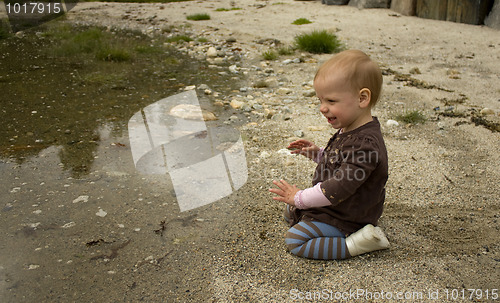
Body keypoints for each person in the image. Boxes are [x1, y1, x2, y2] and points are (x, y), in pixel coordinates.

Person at [269, 49, 390, 260]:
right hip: (338, 204)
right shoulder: (352, 129)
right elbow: (343, 164)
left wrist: (299, 197)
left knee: (295, 239)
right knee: (291, 211)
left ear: (362, 98)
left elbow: (338, 187)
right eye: (320, 100)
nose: (322, 108)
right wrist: (318, 154)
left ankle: (356, 243)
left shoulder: (365, 145)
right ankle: (312, 216)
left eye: (331, 101)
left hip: (348, 215)